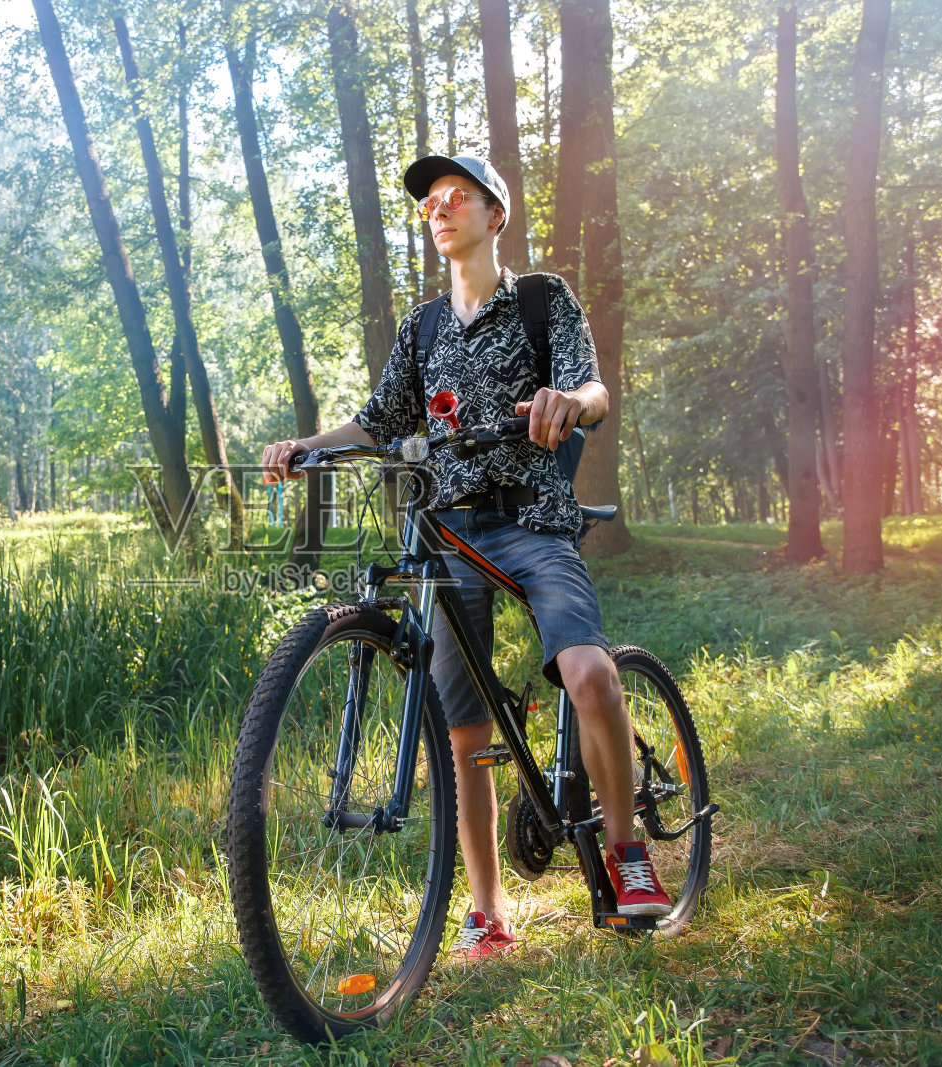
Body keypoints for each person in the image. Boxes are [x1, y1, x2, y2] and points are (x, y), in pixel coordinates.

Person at [260, 153, 673, 960]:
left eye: (457, 198)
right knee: (464, 734)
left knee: (589, 673)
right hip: (448, 535)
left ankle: (628, 854)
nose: (439, 209)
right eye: (430, 204)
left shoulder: (541, 299)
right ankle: (487, 912)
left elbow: (593, 390)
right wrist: (309, 446)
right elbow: (378, 422)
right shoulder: (421, 329)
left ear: (495, 214)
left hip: (532, 523)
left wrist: (567, 403)